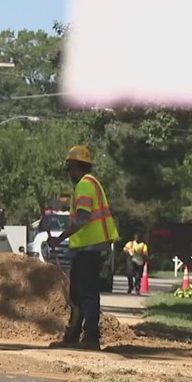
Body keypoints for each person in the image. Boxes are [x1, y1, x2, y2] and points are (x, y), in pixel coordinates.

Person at [47, 145, 119, 351]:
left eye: (69, 168)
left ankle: (91, 337)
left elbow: (82, 219)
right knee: (78, 293)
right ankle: (73, 334)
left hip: (91, 248)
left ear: (76, 166)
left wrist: (60, 238)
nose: (68, 173)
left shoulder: (85, 186)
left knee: (86, 293)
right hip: (90, 248)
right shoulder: (91, 183)